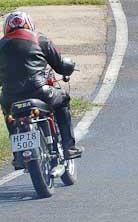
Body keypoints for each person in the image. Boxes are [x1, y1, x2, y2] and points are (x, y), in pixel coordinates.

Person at [0, 10, 83, 159]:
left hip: (10, 97)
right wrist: (69, 67)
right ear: (29, 24)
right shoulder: (39, 39)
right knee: (63, 98)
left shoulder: (0, 45)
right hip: (40, 91)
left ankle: (18, 156)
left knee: (9, 115)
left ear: (6, 28)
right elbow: (60, 66)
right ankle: (69, 147)